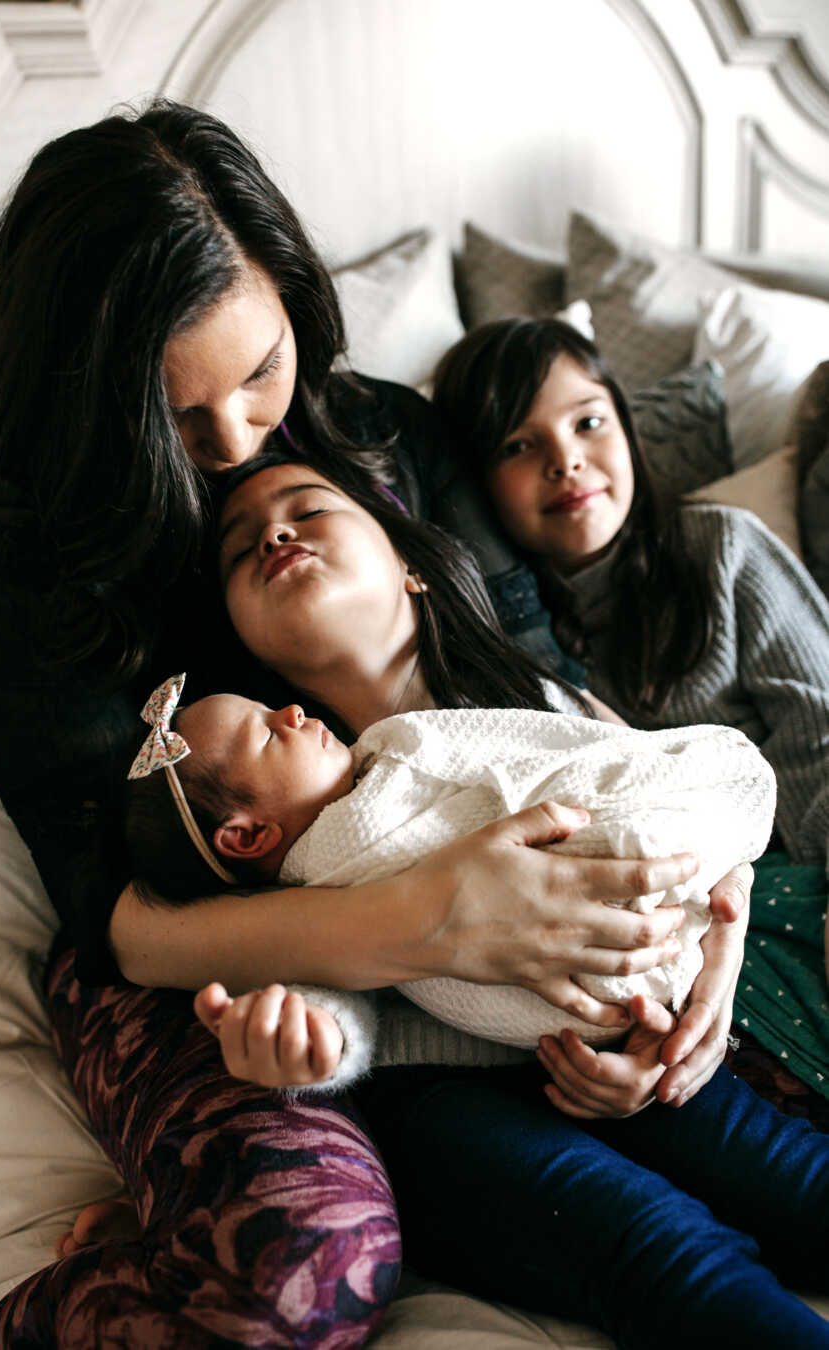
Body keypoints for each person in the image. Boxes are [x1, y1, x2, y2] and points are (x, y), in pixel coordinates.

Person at [0, 101, 716, 1348]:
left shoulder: (387, 443)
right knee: (304, 1277)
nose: (236, 440)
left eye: (259, 373)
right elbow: (111, 917)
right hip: (186, 970)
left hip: (472, 911)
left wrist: (698, 966)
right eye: (172, 413)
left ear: (295, 296)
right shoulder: (39, 554)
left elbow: (556, 706)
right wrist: (428, 920)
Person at [181, 449, 827, 1349]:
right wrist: (307, 1039)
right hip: (439, 1090)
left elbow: (692, 800)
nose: (277, 535)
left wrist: (693, 1006)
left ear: (410, 567)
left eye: (306, 510)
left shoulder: (538, 701)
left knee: (793, 1179)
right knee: (653, 1247)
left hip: (612, 1030)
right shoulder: (294, 834)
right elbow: (332, 992)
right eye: (242, 547)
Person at [432, 315, 829, 1094]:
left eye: (587, 421)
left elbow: (822, 740)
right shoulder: (496, 645)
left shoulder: (721, 547)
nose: (566, 459)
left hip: (790, 884)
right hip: (647, 949)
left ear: (624, 422)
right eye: (519, 445)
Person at [123, 674, 775, 1086]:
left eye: (273, 706)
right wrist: (310, 1039)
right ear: (245, 836)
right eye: (266, 733)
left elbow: (599, 766)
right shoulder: (309, 903)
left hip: (666, 916)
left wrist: (722, 910)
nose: (291, 711)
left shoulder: (421, 737)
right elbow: (345, 999)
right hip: (606, 1017)